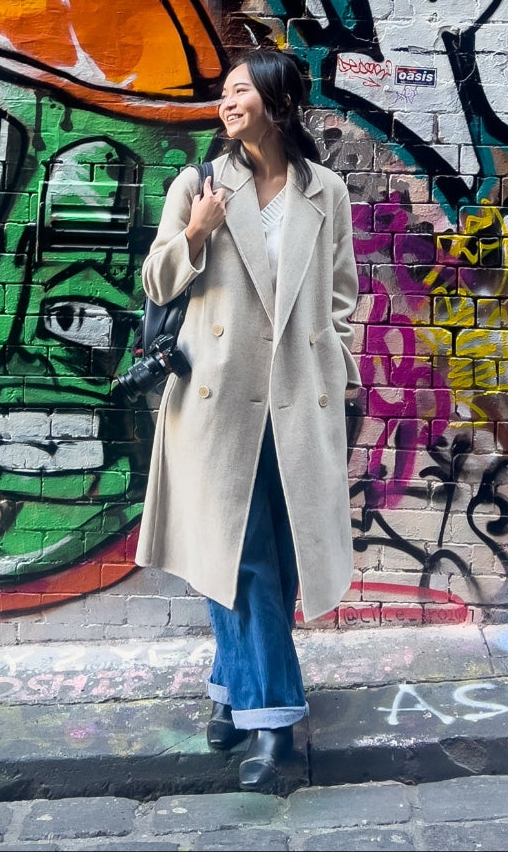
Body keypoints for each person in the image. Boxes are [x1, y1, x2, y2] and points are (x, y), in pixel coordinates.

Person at [135, 49, 360, 792]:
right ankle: (274, 725)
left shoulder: (324, 191)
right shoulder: (198, 184)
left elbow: (340, 296)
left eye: (240, 90)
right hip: (215, 406)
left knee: (273, 562)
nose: (227, 101)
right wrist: (196, 230)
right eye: (225, 92)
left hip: (298, 402)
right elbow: (156, 279)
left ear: (278, 100)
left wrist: (338, 367)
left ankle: (231, 693)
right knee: (238, 561)